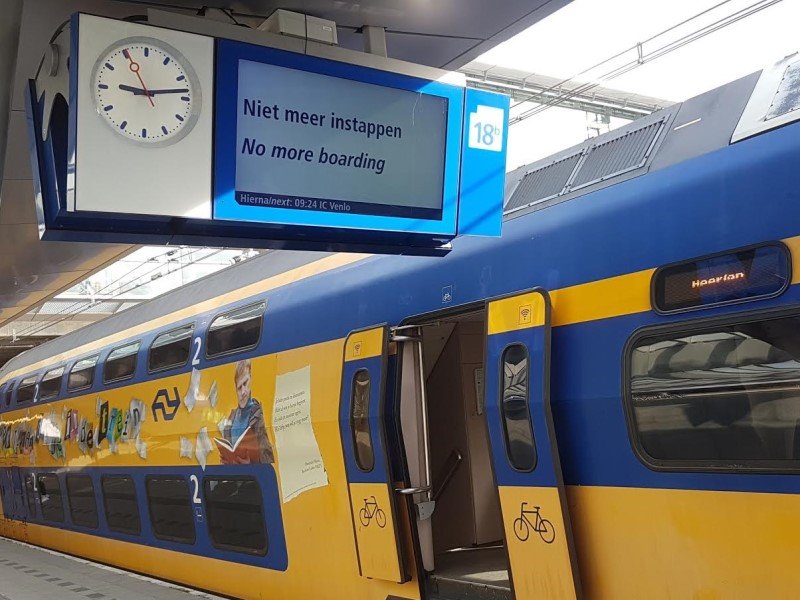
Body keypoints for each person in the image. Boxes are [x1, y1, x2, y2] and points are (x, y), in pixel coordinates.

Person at [221, 359, 274, 464]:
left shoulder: (260, 415)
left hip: (253, 477)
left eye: (245, 383)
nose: (243, 392)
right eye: (239, 387)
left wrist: (251, 464)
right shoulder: (230, 419)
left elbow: (268, 458)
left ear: (251, 379)